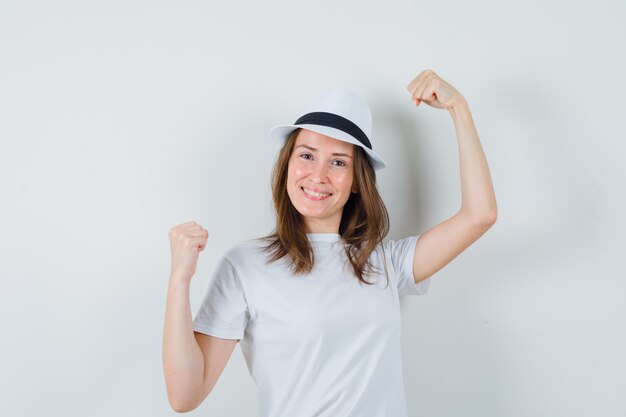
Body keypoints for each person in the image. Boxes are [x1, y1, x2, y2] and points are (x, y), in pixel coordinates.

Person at [162, 69, 497, 416]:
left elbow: (480, 215)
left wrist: (459, 108)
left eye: (338, 162)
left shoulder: (384, 263)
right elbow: (185, 396)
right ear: (288, 164)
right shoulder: (245, 266)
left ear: (356, 181)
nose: (318, 175)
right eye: (307, 155)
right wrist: (179, 279)